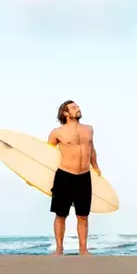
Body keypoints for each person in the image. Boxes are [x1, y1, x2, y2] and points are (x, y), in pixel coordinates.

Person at [45, 100, 99, 256]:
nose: (78, 109)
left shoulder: (89, 129)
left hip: (84, 176)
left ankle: (83, 250)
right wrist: (38, 176)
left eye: (78, 106)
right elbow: (46, 156)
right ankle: (59, 249)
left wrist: (95, 166)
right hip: (64, 175)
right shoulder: (57, 133)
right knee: (61, 214)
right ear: (65, 113)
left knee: (83, 215)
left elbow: (92, 149)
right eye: (74, 107)